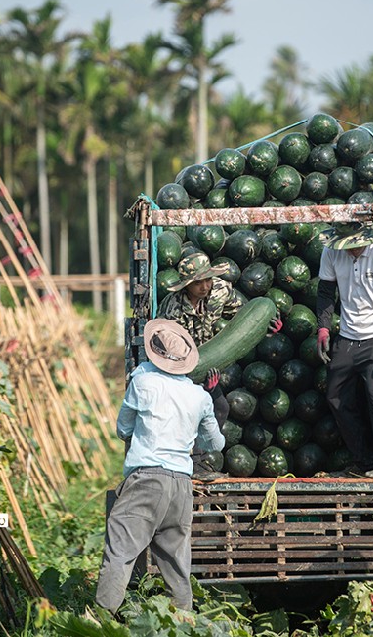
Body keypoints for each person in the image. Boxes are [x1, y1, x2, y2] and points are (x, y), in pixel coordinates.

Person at [94, 319, 225, 616]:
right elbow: (216, 443)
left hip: (146, 480)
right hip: (181, 487)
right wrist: (213, 399)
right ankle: (183, 624)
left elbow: (122, 429)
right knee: (176, 564)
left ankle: (99, 624)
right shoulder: (200, 397)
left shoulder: (142, 382)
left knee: (120, 553)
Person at [158, 251, 280, 480]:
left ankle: (199, 459)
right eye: (198, 283)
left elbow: (246, 315)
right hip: (178, 370)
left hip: (208, 364)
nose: (205, 286)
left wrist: (268, 326)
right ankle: (189, 463)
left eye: (207, 279)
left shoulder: (220, 290)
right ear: (187, 286)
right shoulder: (172, 308)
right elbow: (165, 348)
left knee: (220, 408)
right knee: (190, 411)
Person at [315, 218, 373, 479]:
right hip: (347, 337)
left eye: (354, 246)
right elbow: (325, 293)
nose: (350, 251)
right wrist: (323, 327)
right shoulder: (331, 251)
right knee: (336, 396)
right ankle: (364, 461)